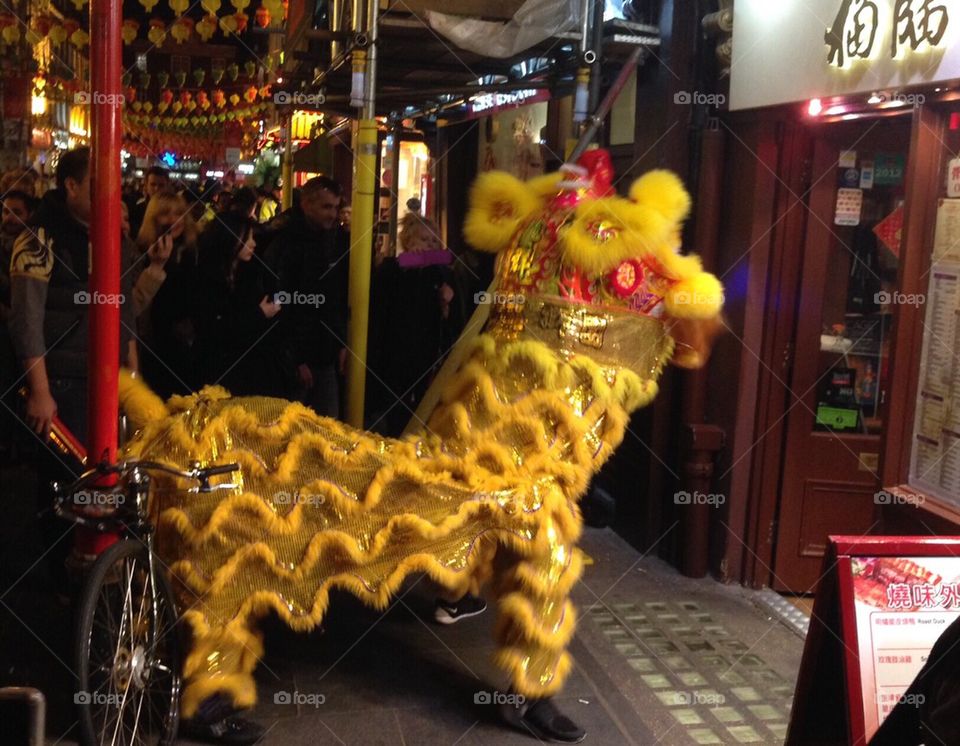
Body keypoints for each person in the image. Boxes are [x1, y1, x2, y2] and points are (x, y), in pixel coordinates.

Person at [8, 147, 137, 589]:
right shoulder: (39, 239)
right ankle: (65, 583)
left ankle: (99, 578)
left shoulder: (109, 235)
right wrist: (40, 390)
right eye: (100, 184)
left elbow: (126, 310)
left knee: (109, 484)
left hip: (105, 382)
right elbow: (25, 321)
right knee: (64, 489)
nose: (112, 194)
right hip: (61, 384)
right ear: (72, 186)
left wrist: (131, 372)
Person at [366, 212, 461, 436]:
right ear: (408, 241)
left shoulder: (441, 273)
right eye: (424, 240)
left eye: (434, 241)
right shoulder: (392, 269)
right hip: (393, 358)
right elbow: (379, 310)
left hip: (427, 358)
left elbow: (452, 319)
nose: (430, 246)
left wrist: (448, 299)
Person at [265, 175, 348, 417]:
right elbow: (282, 303)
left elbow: (335, 299)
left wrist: (340, 342)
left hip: (324, 352)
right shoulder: (286, 242)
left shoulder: (334, 241)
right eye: (326, 207)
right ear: (306, 204)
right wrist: (295, 358)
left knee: (326, 426)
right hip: (295, 356)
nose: (332, 214)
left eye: (335, 207)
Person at [194, 214, 289, 397]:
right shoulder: (206, 279)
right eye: (247, 238)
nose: (253, 243)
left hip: (253, 370)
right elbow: (214, 329)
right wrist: (259, 314)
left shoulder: (252, 274)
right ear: (229, 239)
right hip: (221, 373)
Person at [133, 189, 200, 397]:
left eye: (178, 213)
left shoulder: (193, 249)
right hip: (154, 340)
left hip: (187, 339)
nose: (173, 220)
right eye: (165, 214)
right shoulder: (143, 251)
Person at [128, 165, 170, 240]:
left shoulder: (173, 210)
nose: (156, 188)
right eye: (153, 184)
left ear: (167, 186)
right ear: (146, 186)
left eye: (161, 185)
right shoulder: (137, 210)